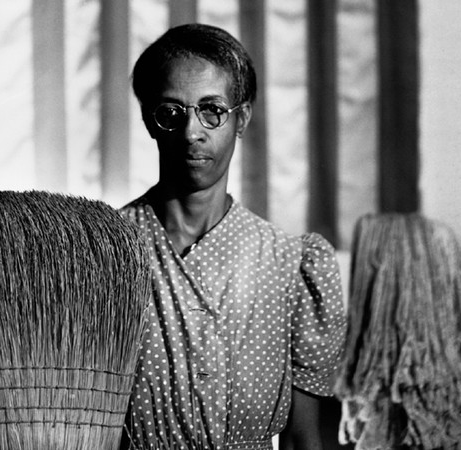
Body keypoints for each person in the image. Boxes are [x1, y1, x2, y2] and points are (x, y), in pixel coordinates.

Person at [120, 23, 347, 450]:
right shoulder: (105, 251)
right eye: (171, 111)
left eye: (212, 110)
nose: (192, 132)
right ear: (150, 120)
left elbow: (303, 438)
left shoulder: (288, 265)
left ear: (241, 118)